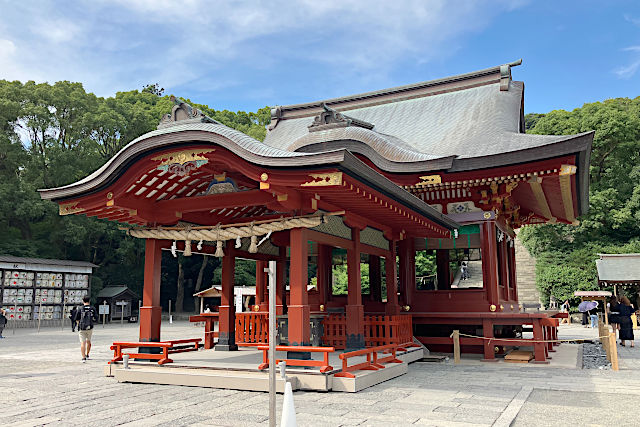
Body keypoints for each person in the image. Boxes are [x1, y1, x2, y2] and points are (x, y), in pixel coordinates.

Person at [74, 296, 98, 362]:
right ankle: (87, 354)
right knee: (89, 341)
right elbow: (96, 318)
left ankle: (83, 357)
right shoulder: (92, 308)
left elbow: (77, 318)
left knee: (83, 343)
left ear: (83, 301)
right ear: (89, 301)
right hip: (90, 327)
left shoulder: (80, 308)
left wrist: (79, 325)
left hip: (82, 328)